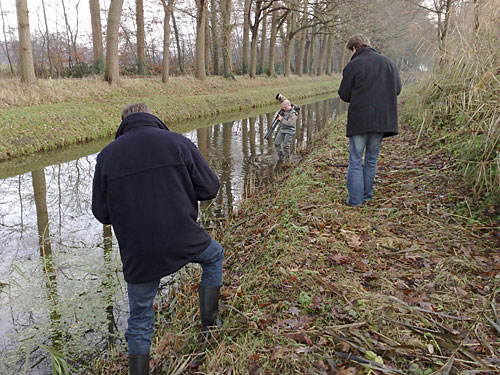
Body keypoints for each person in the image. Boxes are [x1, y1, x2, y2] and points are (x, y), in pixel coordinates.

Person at [92, 103, 223, 375]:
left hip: (139, 252)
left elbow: (102, 213)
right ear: (152, 117)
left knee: (139, 318)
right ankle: (210, 324)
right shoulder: (178, 143)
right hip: (182, 236)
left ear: (123, 123)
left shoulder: (107, 156)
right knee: (214, 257)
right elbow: (209, 187)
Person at [338, 34, 402, 207]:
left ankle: (355, 201)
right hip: (382, 120)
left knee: (356, 160)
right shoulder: (389, 63)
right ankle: (366, 196)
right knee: (372, 159)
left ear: (354, 48)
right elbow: (397, 89)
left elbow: (344, 94)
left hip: (360, 120)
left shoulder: (353, 65)